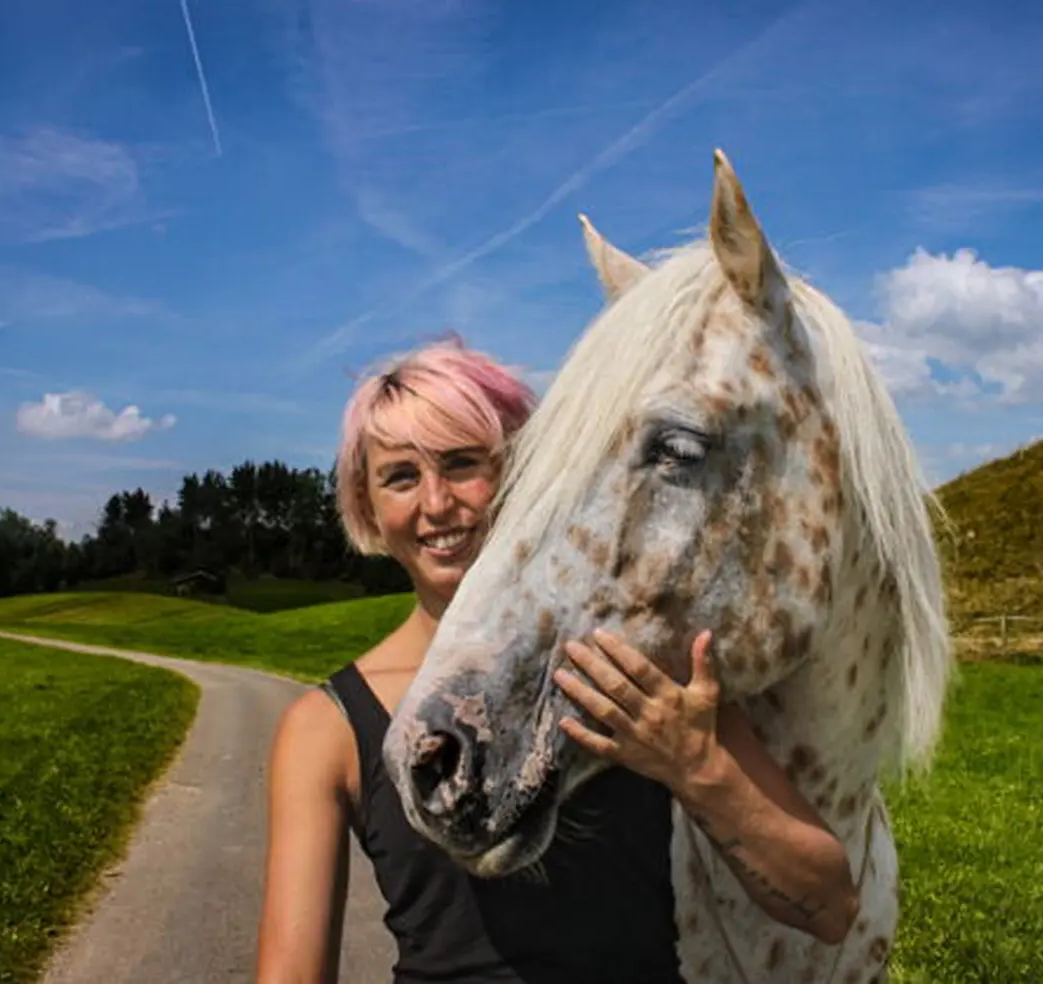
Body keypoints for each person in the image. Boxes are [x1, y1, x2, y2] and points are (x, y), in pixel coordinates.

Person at [255, 337, 860, 984]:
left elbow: (829, 906)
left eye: (463, 465)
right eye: (401, 477)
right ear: (368, 509)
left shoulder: (642, 671)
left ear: (527, 474)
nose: (435, 504)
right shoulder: (326, 730)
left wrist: (695, 765)